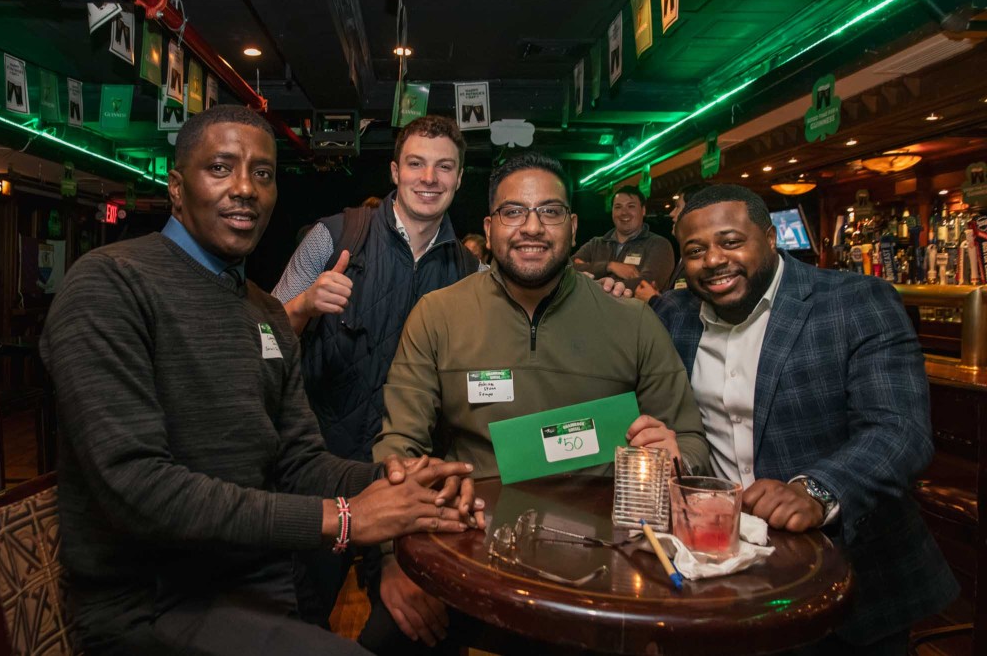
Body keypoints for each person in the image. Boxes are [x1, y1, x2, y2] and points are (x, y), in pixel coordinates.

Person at [39, 105, 483, 656]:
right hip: (157, 604)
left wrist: (401, 480)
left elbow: (299, 461)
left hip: (258, 587)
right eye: (220, 168)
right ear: (177, 187)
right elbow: (136, 488)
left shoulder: (264, 311)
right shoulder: (110, 284)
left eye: (263, 173)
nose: (245, 189)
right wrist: (343, 519)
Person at [371, 151, 709, 651]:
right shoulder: (438, 315)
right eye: (513, 212)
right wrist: (393, 558)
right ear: (490, 229)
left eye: (549, 211)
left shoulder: (633, 321)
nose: (531, 227)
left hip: (603, 563)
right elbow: (400, 444)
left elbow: (692, 445)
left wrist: (675, 458)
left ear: (572, 228)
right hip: (469, 547)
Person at [647, 184, 958, 654]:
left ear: (771, 238)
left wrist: (817, 490)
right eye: (695, 250)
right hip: (716, 578)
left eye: (731, 242)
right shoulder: (672, 314)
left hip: (850, 582)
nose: (713, 260)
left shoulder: (855, 302)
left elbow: (899, 430)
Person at [272, 115, 479, 462]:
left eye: (444, 166)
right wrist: (304, 305)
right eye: (416, 163)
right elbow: (264, 340)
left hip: (412, 470)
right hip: (321, 464)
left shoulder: (471, 273)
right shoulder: (333, 237)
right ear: (396, 172)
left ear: (458, 178)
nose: (429, 178)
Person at [573, 185, 675, 291]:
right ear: (612, 212)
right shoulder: (596, 244)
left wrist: (593, 277)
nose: (624, 212)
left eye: (631, 206)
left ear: (643, 210)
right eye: (618, 207)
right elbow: (568, 269)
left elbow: (646, 284)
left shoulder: (659, 245)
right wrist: (609, 266)